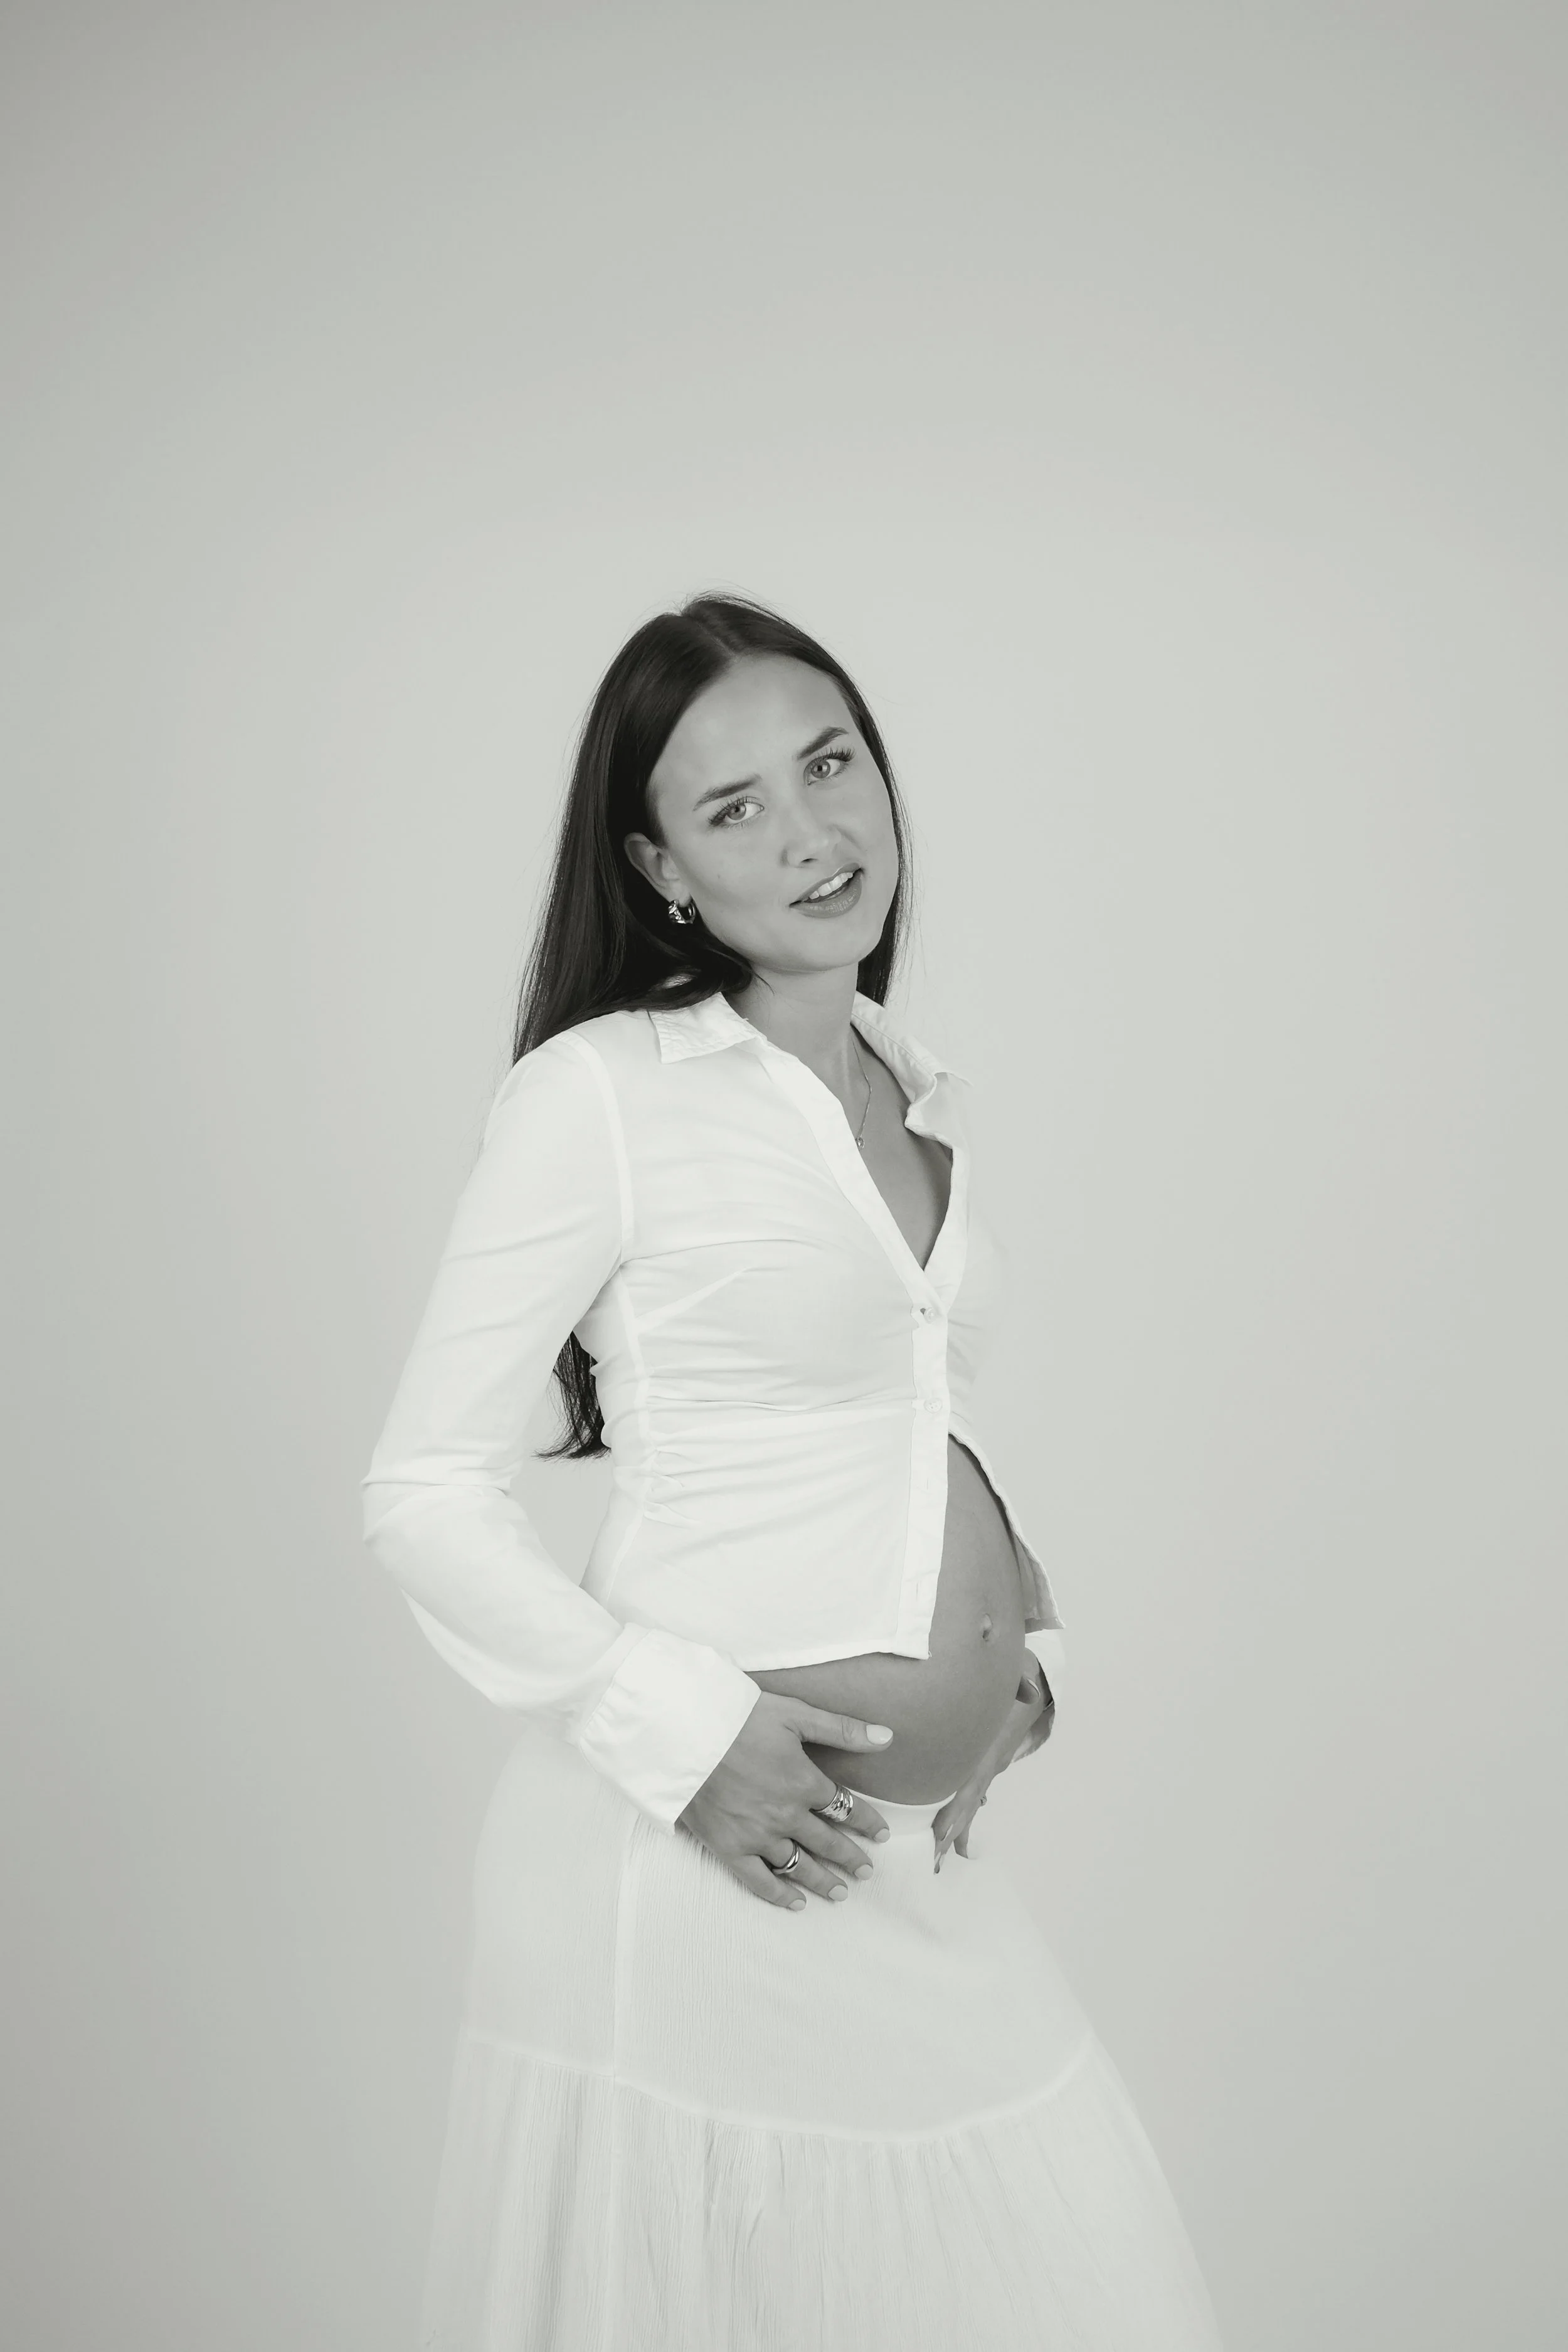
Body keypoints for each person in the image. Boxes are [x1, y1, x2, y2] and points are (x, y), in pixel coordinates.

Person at [362, 593, 1223, 2349]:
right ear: (660, 871)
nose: (810, 833)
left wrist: (1008, 1668)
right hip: (706, 1871)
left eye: (828, 764)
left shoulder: (914, 1091)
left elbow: (881, 1417)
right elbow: (422, 1490)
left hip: (891, 1863)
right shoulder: (599, 1094)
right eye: (731, 806)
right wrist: (681, 1738)